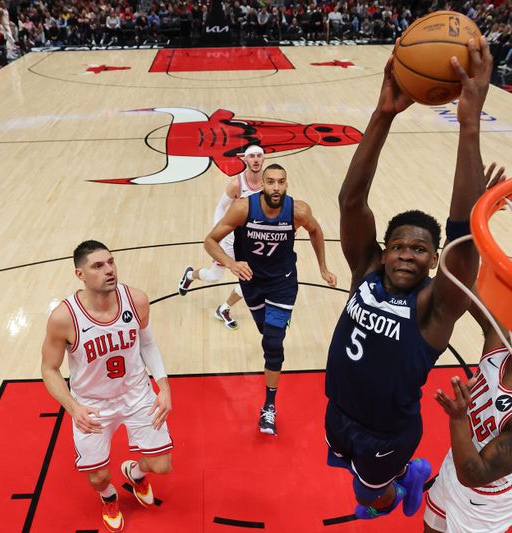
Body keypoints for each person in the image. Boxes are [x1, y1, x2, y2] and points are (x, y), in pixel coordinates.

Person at [324, 36, 493, 521]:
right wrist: (383, 114)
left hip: (386, 434)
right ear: (383, 249)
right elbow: (351, 202)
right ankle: (394, 480)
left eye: (419, 249)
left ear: (434, 260)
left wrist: (468, 124)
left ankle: (406, 483)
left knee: (368, 499)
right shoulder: (366, 270)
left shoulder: (434, 307)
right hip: (338, 412)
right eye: (398, 244)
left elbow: (462, 236)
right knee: (351, 473)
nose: (405, 255)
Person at [41, 241, 173, 533]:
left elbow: (148, 343)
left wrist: (163, 386)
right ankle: (109, 496)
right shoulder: (64, 318)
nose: (109, 270)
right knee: (97, 477)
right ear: (80, 274)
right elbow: (49, 369)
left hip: (137, 393)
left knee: (162, 465)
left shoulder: (136, 299)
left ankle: (135, 473)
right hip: (93, 403)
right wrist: (73, 408)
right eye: (98, 266)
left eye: (111, 262)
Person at [204, 163, 336, 435]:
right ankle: (277, 324)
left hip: (283, 283)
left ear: (287, 184)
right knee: (267, 332)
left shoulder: (297, 210)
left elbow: (316, 231)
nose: (276, 187)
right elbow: (210, 241)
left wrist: (323, 267)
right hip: (252, 283)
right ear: (262, 184)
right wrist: (231, 263)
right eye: (271, 182)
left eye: (281, 182)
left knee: (272, 343)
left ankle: (269, 407)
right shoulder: (243, 208)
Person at [424, 296, 512, 533]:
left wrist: (458, 419)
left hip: (485, 498)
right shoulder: (502, 338)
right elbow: (465, 284)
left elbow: (475, 474)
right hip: (455, 463)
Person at [178, 145, 266, 330]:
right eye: (252, 156)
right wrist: (220, 230)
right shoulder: (237, 184)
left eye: (259, 156)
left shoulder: (268, 182)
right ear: (245, 159)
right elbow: (220, 207)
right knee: (213, 276)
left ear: (263, 159)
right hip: (229, 240)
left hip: (251, 241)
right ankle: (189, 275)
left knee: (250, 278)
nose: (256, 159)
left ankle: (224, 309)